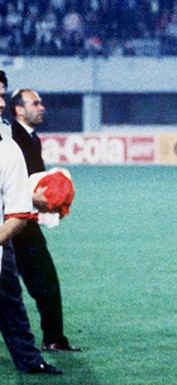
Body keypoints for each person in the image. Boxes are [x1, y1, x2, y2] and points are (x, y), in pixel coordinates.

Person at [7, 89, 79, 353]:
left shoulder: (29, 138)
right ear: (18, 109)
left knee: (43, 281)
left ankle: (54, 337)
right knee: (39, 282)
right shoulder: (12, 138)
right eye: (35, 103)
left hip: (24, 221)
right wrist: (36, 199)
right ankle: (53, 338)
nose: (42, 107)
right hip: (14, 223)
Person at [0, 113, 61, 375]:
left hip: (4, 242)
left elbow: (18, 213)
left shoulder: (8, 148)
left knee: (10, 300)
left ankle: (31, 359)